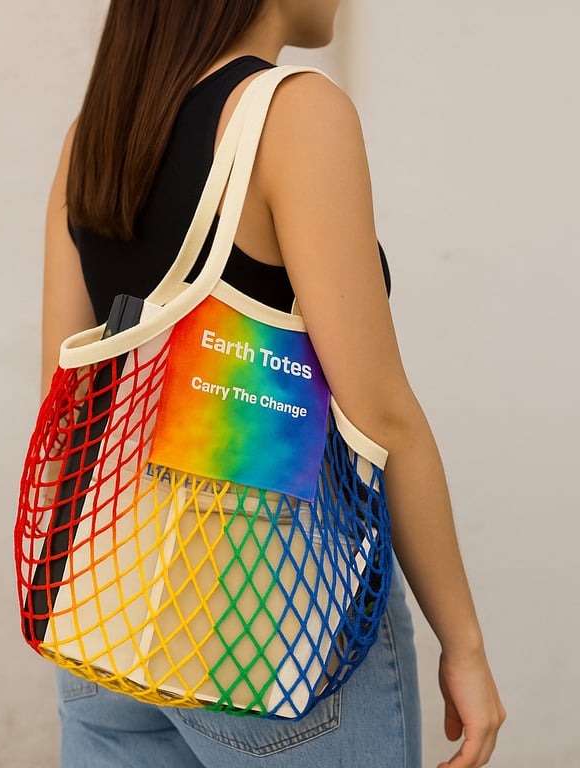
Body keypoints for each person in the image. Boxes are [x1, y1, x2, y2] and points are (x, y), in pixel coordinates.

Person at [39, 1, 506, 766]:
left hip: (105, 597)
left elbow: (66, 392)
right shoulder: (293, 113)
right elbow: (381, 418)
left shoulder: (94, 135)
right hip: (265, 609)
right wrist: (466, 644)